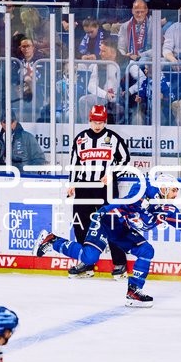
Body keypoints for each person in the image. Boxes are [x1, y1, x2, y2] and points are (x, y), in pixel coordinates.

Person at [33, 173, 181, 307]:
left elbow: (180, 221)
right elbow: (138, 190)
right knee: (89, 258)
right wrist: (145, 200)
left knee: (146, 250)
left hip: (122, 229)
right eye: (174, 190)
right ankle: (51, 240)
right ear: (164, 188)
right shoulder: (143, 192)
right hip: (106, 220)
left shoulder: (165, 207)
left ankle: (133, 291)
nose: (176, 195)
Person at [66, 104, 131, 279]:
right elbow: (74, 163)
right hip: (84, 187)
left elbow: (125, 160)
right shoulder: (80, 139)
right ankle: (86, 264)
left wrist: (111, 173)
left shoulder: (114, 138)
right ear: (89, 120)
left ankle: (120, 264)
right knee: (81, 226)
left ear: (105, 121)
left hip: (106, 189)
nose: (97, 125)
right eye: (94, 121)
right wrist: (71, 183)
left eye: (100, 122)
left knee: (111, 225)